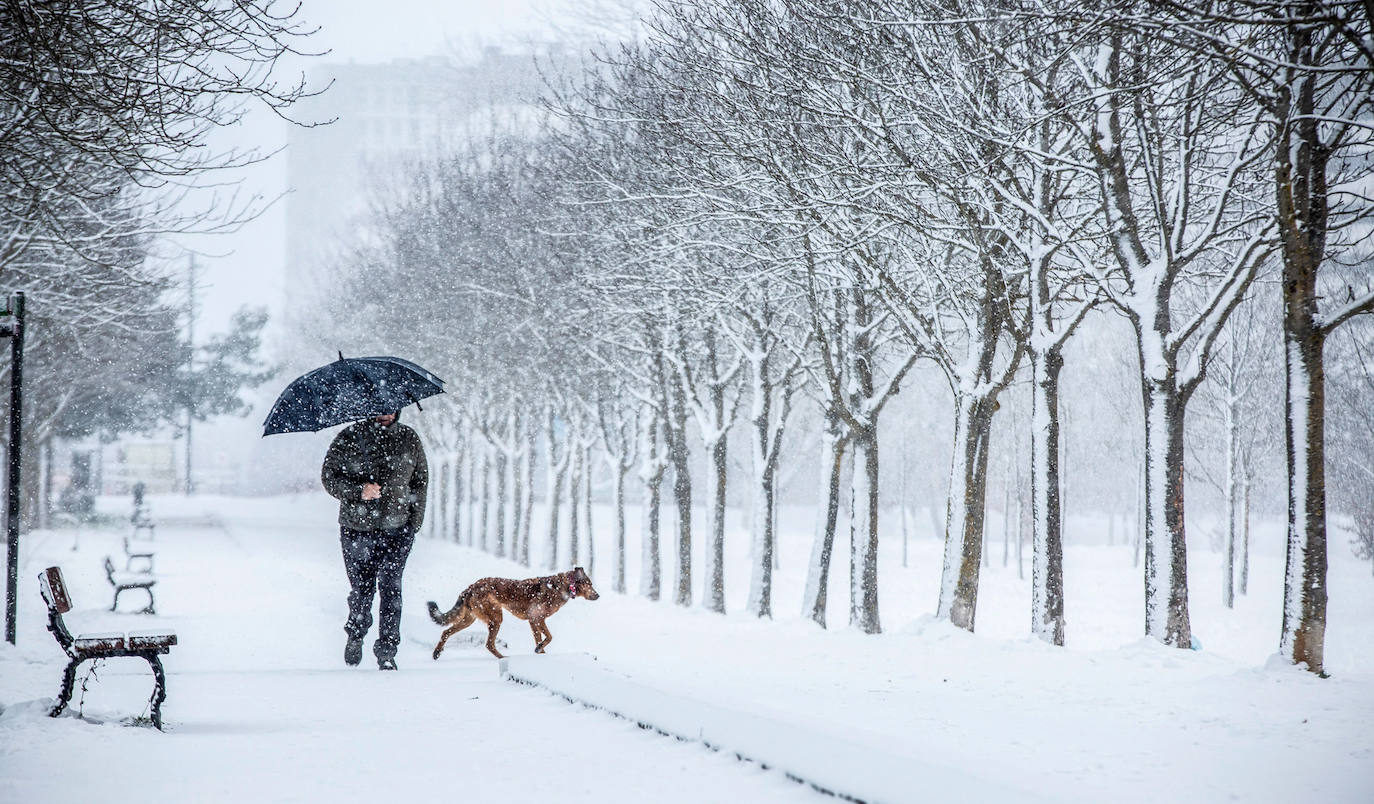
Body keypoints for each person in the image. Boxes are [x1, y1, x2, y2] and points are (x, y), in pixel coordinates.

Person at [321, 409, 428, 670]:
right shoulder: (350, 437)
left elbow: (420, 482)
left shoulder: (409, 438)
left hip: (398, 528)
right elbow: (329, 477)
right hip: (357, 528)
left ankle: (387, 651)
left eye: (390, 407)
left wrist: (413, 524)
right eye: (379, 408)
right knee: (362, 589)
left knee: (391, 588)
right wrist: (359, 491)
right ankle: (356, 632)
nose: (386, 413)